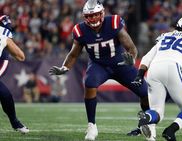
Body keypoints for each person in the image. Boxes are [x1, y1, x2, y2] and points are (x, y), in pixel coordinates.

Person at [49, 0, 149, 140]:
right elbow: (73, 54)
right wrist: (64, 67)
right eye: (89, 16)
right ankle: (92, 125)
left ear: (102, 13)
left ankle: (147, 123)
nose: (93, 18)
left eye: (95, 15)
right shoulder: (80, 30)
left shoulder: (113, 22)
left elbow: (131, 47)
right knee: (89, 82)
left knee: (144, 92)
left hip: (120, 63)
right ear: (85, 17)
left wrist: (131, 59)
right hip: (99, 65)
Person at [131, 16, 182, 141]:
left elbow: (147, 58)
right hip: (173, 67)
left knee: (157, 112)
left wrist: (140, 75)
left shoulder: (165, 36)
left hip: (153, 70)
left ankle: (147, 118)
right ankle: (170, 131)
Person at [0, 15, 29, 133]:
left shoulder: (3, 35)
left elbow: (21, 56)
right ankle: (14, 121)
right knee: (5, 94)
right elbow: (21, 56)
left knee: (5, 94)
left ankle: (14, 122)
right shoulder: (4, 33)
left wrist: (5, 46)